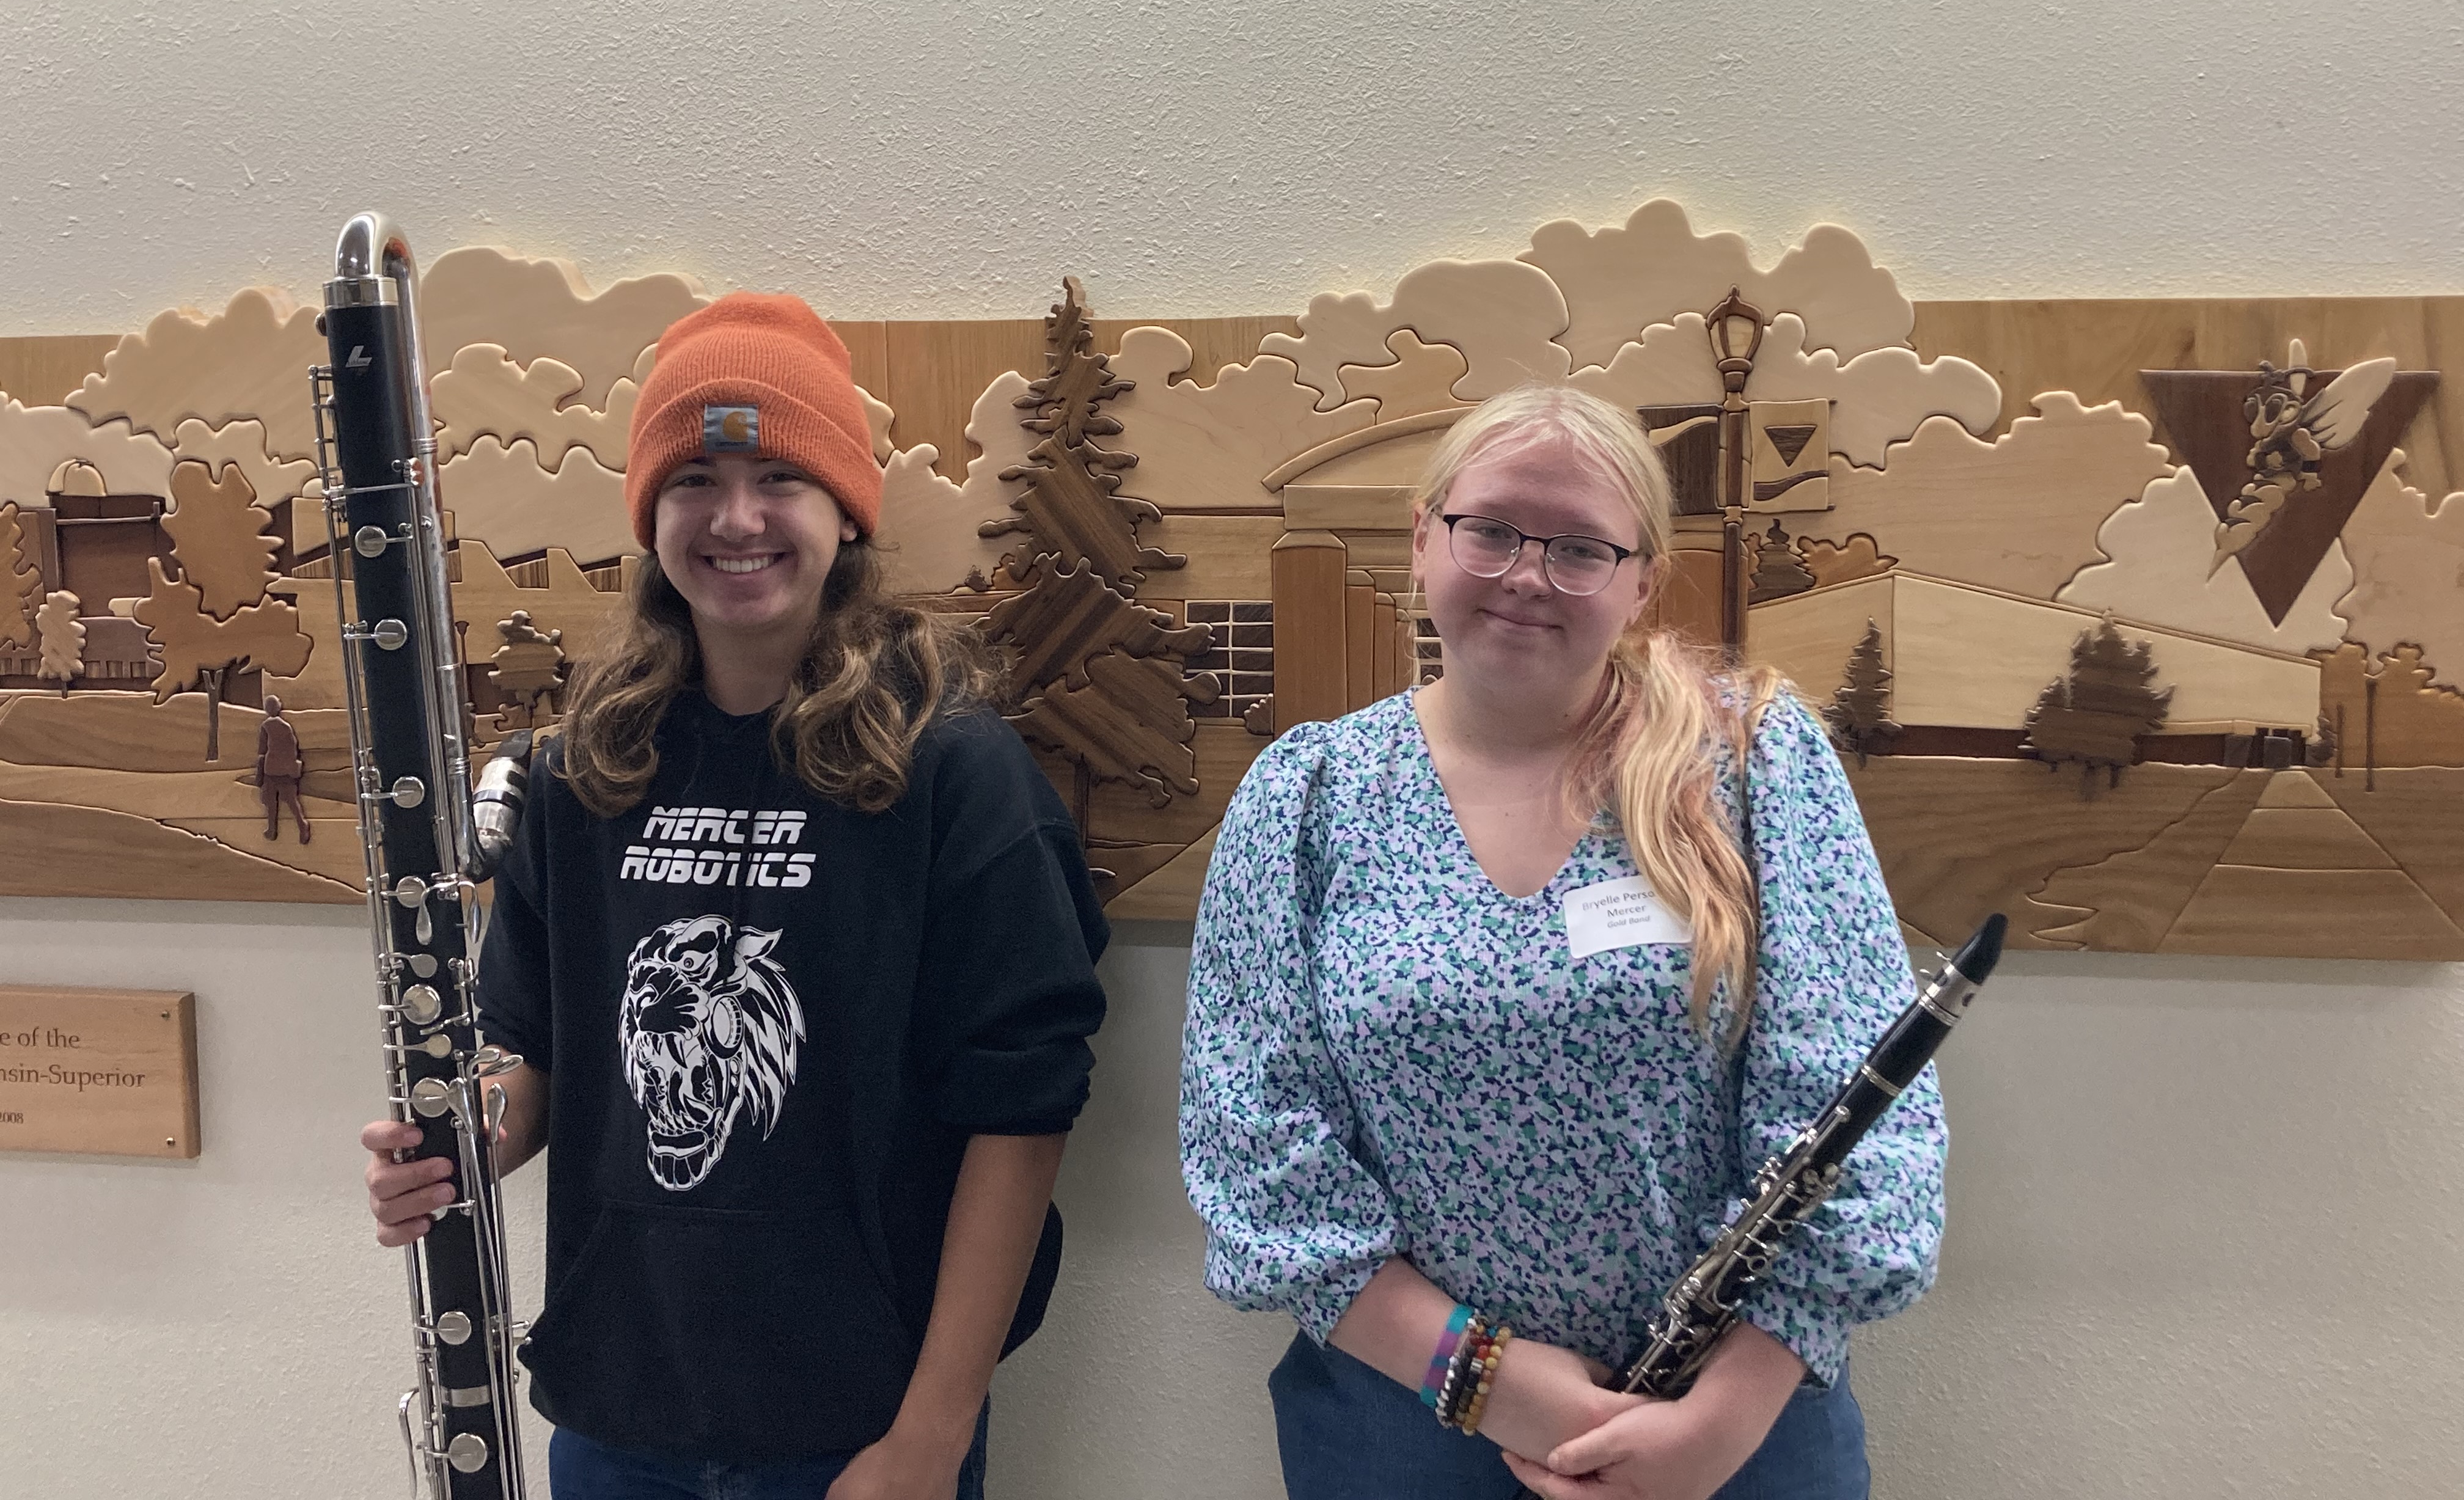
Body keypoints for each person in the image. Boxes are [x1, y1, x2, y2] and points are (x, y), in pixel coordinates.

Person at [360, 294, 1110, 1500]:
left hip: (862, 1425)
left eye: (780, 477)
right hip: (620, 1409)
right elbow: (537, 1056)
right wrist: (458, 1143)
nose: (738, 517)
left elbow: (1023, 1114)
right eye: (696, 477)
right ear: (651, 510)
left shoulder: (956, 773)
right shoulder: (583, 767)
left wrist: (931, 1434)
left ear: (844, 512)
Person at [1179, 384, 1945, 1500]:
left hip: (1734, 1427)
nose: (1527, 573)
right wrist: (1494, 1381)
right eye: (1489, 529)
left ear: (1640, 579)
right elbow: (1256, 1152)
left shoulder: (1752, 761)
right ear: (1421, 533)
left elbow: (1859, 1117)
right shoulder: (1309, 794)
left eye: (1581, 545)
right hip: (1403, 1422)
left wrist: (1714, 1424)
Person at [252, 692, 311, 843]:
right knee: (292, 801)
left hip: (271, 770)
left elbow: (262, 751)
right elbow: (293, 747)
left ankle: (273, 829)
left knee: (271, 802)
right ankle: (300, 825)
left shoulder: (266, 726)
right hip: (286, 770)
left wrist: (260, 772)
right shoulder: (286, 727)